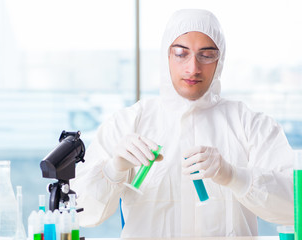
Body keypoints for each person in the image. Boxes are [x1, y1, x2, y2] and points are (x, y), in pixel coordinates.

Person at [71, 9, 294, 237]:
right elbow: (82, 213)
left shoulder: (252, 125)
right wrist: (113, 169)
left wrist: (234, 176)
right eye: (181, 53)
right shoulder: (129, 122)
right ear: (166, 55)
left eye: (206, 55)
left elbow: (294, 207)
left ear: (221, 59)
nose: (193, 68)